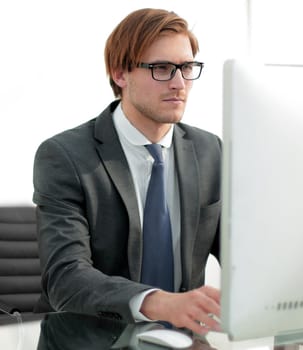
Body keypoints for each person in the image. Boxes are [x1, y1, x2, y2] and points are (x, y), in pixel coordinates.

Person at [32, 8, 221, 335]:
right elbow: (66, 277)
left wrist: (289, 307)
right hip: (91, 339)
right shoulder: (65, 156)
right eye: (162, 68)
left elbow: (244, 254)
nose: (179, 83)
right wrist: (160, 302)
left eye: (187, 68)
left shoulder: (211, 151)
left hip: (184, 341)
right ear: (120, 74)